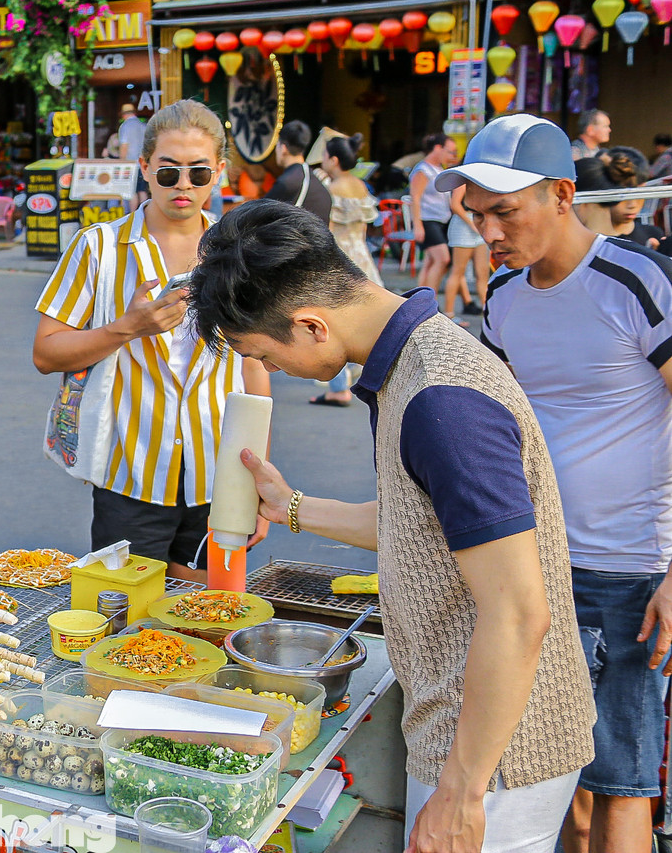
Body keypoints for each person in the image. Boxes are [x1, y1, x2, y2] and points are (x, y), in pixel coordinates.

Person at [189, 197, 595, 853]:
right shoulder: (410, 362)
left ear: (311, 324)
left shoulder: (441, 398)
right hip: (471, 731)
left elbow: (520, 614)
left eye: (262, 353)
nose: (272, 373)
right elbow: (426, 526)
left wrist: (462, 792)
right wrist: (290, 505)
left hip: (497, 753)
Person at [440, 113, 672, 853]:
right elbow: (497, 422)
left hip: (629, 568)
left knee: (621, 783)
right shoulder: (503, 296)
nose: (491, 232)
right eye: (478, 216)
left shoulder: (634, 280)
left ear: (564, 194)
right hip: (533, 563)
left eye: (505, 211)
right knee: (550, 771)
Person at [34, 99, 271, 579]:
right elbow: (45, 352)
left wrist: (258, 474)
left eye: (198, 173)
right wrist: (129, 327)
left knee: (215, 612)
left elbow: (254, 365)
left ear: (219, 172)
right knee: (128, 621)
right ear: (144, 168)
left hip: (218, 472)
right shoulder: (97, 248)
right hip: (130, 470)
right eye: (168, 172)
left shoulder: (239, 256)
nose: (183, 185)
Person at [313, 132, 381, 406]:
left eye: (325, 156)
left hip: (338, 255)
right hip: (361, 255)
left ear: (334, 159)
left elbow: (326, 229)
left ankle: (338, 386)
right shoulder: (360, 187)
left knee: (332, 323)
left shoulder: (331, 189)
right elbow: (363, 229)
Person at [409, 133, 457, 293]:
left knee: (431, 262)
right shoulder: (423, 170)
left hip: (440, 219)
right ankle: (431, 299)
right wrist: (417, 225)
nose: (451, 156)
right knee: (443, 258)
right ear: (438, 148)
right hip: (427, 219)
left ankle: (419, 299)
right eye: (450, 152)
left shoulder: (437, 169)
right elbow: (415, 197)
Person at [262, 119, 331, 225]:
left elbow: (258, 214)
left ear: (283, 148)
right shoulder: (312, 179)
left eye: (277, 145)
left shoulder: (288, 182)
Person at [442, 184, 488, 322]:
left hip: (480, 223)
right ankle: (449, 314)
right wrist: (471, 223)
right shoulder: (463, 180)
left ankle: (489, 315)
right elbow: (455, 204)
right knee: (458, 271)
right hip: (464, 225)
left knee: (483, 273)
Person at [119, 102, 148, 209]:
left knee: (132, 192)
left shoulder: (125, 126)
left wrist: (121, 161)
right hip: (142, 163)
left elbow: (124, 147)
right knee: (142, 190)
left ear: (123, 115)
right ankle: (144, 214)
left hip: (130, 164)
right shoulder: (143, 125)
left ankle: (133, 215)